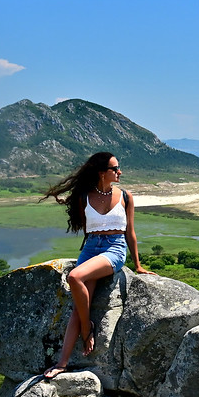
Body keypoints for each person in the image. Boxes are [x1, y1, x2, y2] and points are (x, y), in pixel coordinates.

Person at [41, 152, 153, 379]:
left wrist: (138, 265)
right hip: (91, 248)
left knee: (74, 277)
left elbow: (130, 233)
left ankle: (87, 328)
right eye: (115, 168)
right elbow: (88, 229)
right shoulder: (85, 197)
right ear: (102, 173)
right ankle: (62, 363)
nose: (120, 172)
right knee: (79, 305)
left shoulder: (126, 197)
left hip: (114, 249)